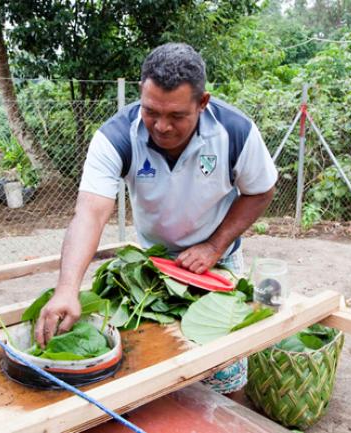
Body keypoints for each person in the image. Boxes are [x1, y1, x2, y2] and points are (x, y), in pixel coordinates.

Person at [35, 42, 277, 395]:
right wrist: (67, 289)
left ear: (203, 102)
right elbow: (90, 212)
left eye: (177, 116)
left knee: (223, 368)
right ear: (140, 95)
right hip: (154, 265)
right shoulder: (115, 136)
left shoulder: (235, 131)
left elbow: (261, 190)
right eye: (151, 112)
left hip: (218, 261)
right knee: (160, 362)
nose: (161, 126)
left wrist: (213, 245)